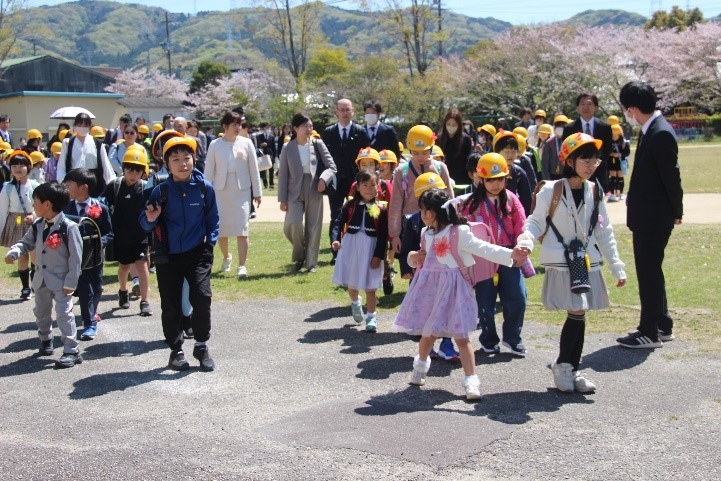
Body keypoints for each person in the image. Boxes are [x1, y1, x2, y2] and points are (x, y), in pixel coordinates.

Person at [392, 188, 528, 400]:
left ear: (439, 211)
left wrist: (511, 254)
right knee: (428, 334)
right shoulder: (426, 233)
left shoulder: (458, 232)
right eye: (422, 210)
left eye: (427, 210)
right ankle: (420, 367)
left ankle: (471, 380)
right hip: (431, 290)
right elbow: (418, 258)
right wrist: (413, 257)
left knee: (461, 337)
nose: (423, 214)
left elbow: (484, 248)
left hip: (455, 290)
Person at [518, 133, 626, 392]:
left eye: (594, 160)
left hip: (586, 260)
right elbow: (535, 221)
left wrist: (616, 266)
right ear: (569, 161)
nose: (590, 165)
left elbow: (604, 231)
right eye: (584, 159)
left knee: (579, 311)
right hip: (560, 259)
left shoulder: (595, 190)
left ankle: (570, 367)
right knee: (577, 310)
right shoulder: (551, 190)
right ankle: (566, 366)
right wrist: (526, 241)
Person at [139, 136, 220, 371]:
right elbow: (144, 222)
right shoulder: (160, 191)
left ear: (194, 159)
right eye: (175, 159)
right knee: (171, 304)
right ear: (166, 164)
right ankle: (176, 351)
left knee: (202, 297)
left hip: (198, 252)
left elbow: (213, 218)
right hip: (168, 255)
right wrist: (150, 218)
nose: (183, 163)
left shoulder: (204, 188)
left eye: (187, 158)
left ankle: (201, 346)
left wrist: (210, 243)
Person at [616, 81, 683, 349]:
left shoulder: (660, 132)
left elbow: (671, 176)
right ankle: (662, 323)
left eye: (625, 109)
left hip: (653, 217)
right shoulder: (651, 129)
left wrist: (677, 210)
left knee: (648, 273)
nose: (626, 114)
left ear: (632, 109)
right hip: (649, 214)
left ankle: (649, 332)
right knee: (652, 270)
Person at [5, 182, 83, 368]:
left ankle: (71, 350)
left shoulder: (69, 227)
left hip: (62, 281)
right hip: (40, 279)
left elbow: (76, 258)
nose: (33, 205)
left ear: (47, 204)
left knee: (64, 314)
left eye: (36, 201)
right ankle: (46, 340)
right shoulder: (37, 225)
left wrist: (71, 282)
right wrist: (15, 251)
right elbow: (26, 243)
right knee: (41, 312)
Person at [458, 153, 528, 356]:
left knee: (518, 297)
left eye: (500, 179)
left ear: (506, 178)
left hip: (509, 255)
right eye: (490, 180)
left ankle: (512, 338)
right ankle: (488, 340)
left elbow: (522, 227)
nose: (496, 184)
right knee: (485, 302)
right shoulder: (470, 203)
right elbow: (464, 232)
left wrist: (522, 246)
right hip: (482, 258)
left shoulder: (512, 199)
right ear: (481, 179)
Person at [204, 110, 262, 279]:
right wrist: (206, 194)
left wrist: (257, 193)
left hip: (242, 191)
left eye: (239, 124)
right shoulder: (215, 144)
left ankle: (242, 266)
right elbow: (209, 171)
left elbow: (254, 170)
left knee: (242, 228)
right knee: (222, 229)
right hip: (220, 191)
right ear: (225, 126)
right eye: (234, 124)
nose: (238, 127)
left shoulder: (247, 143)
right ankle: (226, 256)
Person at [331, 169, 388, 332]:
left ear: (378, 186)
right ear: (357, 187)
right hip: (351, 247)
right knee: (352, 282)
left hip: (371, 249)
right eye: (365, 185)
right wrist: (335, 239)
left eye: (373, 185)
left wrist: (378, 256)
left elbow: (383, 235)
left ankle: (371, 317)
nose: (369, 189)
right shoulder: (350, 205)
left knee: (371, 286)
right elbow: (338, 223)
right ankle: (355, 303)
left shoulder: (381, 209)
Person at [278, 112, 336, 272]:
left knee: (313, 226)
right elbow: (283, 175)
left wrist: (324, 179)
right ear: (295, 128)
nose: (309, 129)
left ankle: (311, 263)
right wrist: (282, 199)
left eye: (311, 126)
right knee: (292, 224)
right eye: (305, 126)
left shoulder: (318, 144)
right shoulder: (287, 147)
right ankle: (300, 255)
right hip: (293, 191)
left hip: (315, 187)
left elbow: (332, 166)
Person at [62, 168, 113, 341]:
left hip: (95, 257)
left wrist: (98, 243)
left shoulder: (100, 208)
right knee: (86, 290)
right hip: (76, 258)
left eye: (69, 185)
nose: (66, 188)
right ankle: (89, 323)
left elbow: (108, 232)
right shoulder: (66, 208)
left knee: (97, 287)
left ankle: (92, 312)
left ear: (83, 188)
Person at [102, 149, 153, 317]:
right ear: (123, 168)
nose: (133, 174)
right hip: (121, 235)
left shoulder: (146, 188)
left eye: (138, 170)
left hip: (140, 235)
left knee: (142, 264)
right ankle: (123, 290)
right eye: (130, 169)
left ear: (143, 172)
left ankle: (144, 301)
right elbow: (102, 204)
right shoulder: (114, 186)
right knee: (124, 266)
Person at [321, 98, 371, 264]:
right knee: (336, 215)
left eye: (347, 109)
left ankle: (356, 250)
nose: (344, 113)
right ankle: (335, 252)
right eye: (341, 109)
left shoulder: (360, 131)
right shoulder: (328, 132)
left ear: (353, 111)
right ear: (336, 111)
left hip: (355, 181)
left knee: (357, 213)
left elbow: (367, 156)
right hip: (335, 181)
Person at [0, 151, 39, 299]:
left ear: (29, 167)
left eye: (21, 165)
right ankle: (25, 288)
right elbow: (2, 210)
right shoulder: (7, 187)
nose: (17, 169)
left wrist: (34, 215)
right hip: (15, 223)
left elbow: (41, 205)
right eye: (14, 165)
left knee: (35, 257)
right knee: (22, 256)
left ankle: (36, 285)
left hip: (33, 223)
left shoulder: (35, 185)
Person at [563, 93, 613, 194]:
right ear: (577, 108)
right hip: (575, 174)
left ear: (596, 107)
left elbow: (607, 149)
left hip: (599, 172)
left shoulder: (605, 127)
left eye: (589, 104)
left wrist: (594, 164)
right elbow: (567, 151)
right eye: (582, 104)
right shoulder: (569, 128)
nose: (586, 107)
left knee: (597, 200)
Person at [57, 113, 115, 197]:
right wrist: (64, 182)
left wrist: (111, 182)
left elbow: (105, 164)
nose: (82, 128)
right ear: (75, 125)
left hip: (93, 182)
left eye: (85, 125)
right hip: (74, 181)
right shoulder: (68, 143)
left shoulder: (97, 143)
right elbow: (61, 165)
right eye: (79, 125)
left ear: (89, 126)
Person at [492, 131, 532, 215]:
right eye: (507, 151)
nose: (510, 155)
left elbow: (527, 201)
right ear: (497, 151)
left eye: (514, 151)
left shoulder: (519, 173)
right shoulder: (489, 171)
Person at [437, 108, 473, 185]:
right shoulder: (439, 138)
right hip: (443, 179)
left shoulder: (466, 139)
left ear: (459, 125)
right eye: (448, 124)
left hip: (462, 180)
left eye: (454, 125)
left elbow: (468, 161)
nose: (451, 127)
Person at [542, 115, 571, 181]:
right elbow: (544, 163)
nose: (560, 128)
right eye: (558, 126)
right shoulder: (549, 142)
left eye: (563, 126)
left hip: (567, 176)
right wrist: (547, 180)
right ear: (554, 128)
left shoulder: (570, 142)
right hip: (552, 176)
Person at [608, 124, 630, 202]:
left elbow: (627, 152)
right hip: (611, 161)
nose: (614, 137)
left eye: (615, 135)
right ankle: (612, 194)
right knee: (612, 178)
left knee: (620, 178)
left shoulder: (624, 142)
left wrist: (619, 154)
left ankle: (621, 193)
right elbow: (605, 151)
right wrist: (611, 154)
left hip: (621, 161)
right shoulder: (608, 141)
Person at [255, 122, 275, 190]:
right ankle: (265, 183)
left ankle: (271, 184)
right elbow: (258, 146)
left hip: (270, 154)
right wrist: (261, 144)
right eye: (266, 127)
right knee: (263, 169)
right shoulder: (259, 136)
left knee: (271, 170)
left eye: (268, 127)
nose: (267, 128)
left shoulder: (272, 136)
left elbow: (273, 147)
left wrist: (274, 156)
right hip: (262, 154)